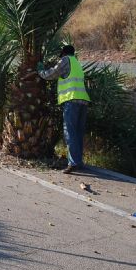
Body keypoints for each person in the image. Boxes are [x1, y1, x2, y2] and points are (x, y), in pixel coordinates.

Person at [37, 45, 90, 174]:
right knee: (77, 133)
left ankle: (73, 163)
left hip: (71, 101)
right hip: (83, 101)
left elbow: (52, 74)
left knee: (70, 132)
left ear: (64, 53)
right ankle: (78, 162)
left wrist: (40, 71)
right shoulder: (76, 62)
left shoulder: (65, 60)